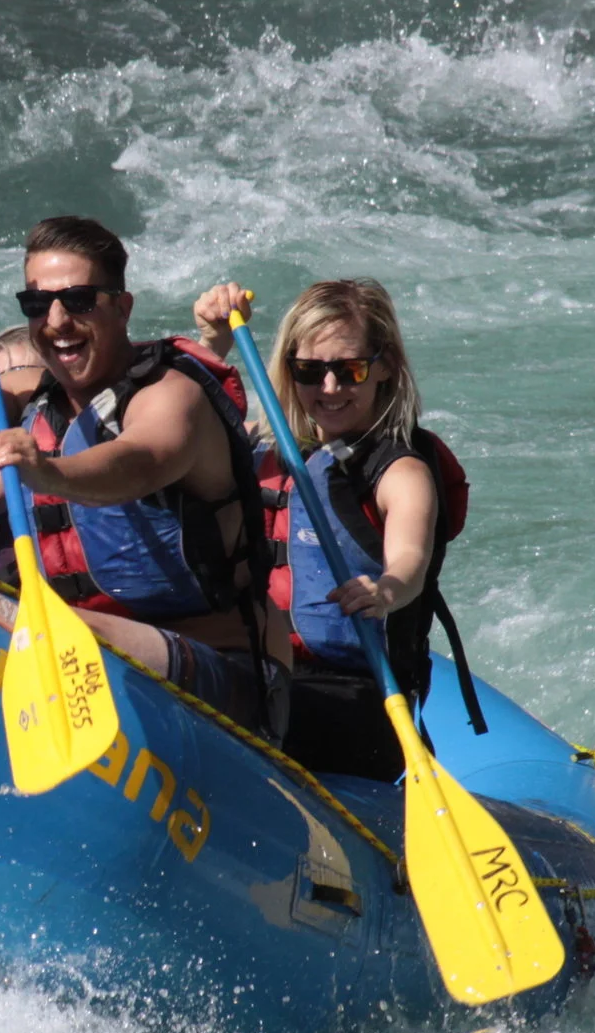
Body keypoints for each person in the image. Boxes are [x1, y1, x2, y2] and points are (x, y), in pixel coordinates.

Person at [0, 205, 286, 734]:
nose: (57, 321)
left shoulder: (172, 396)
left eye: (78, 301)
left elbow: (138, 462)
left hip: (227, 678)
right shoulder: (35, 398)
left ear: (122, 307)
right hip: (84, 651)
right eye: (38, 303)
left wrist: (49, 472)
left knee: (33, 626)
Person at [192, 278, 481, 779]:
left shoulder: (400, 471)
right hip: (258, 664)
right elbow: (180, 430)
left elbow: (409, 558)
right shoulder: (263, 447)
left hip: (353, 699)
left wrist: (387, 588)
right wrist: (211, 343)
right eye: (310, 370)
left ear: (384, 367)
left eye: (349, 371)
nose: (329, 388)